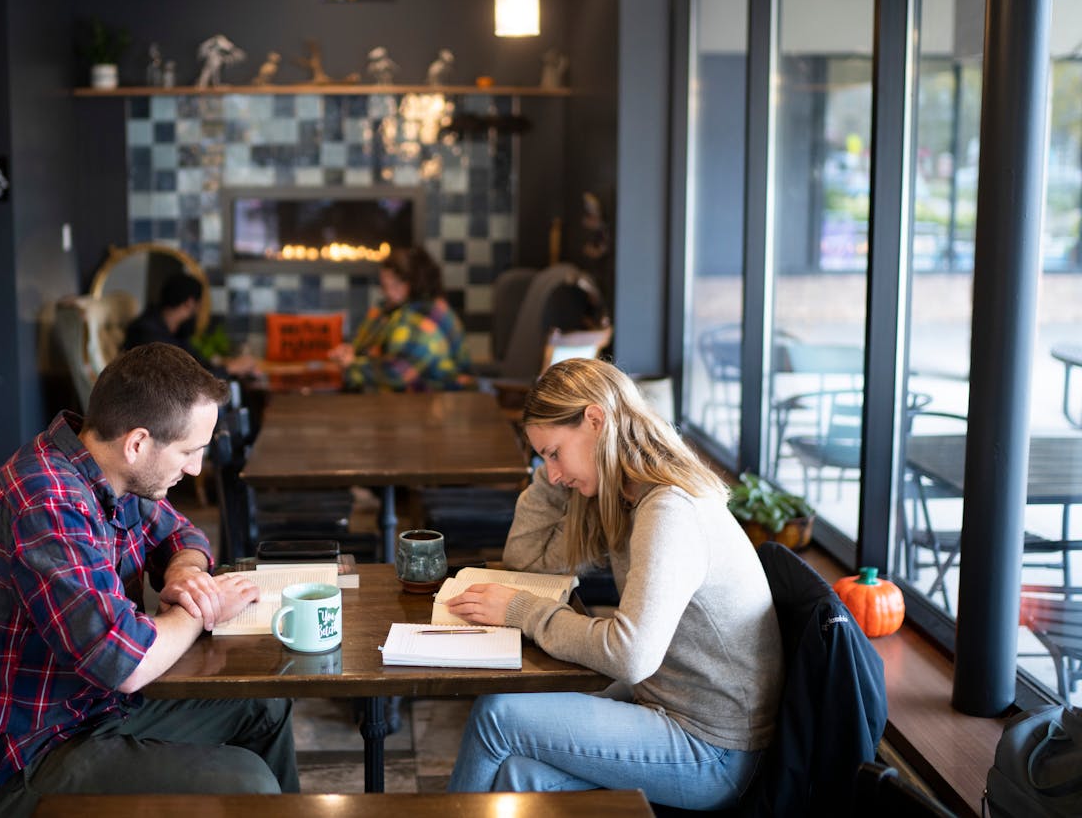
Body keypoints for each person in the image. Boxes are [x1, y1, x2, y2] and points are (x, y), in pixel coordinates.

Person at [0, 343, 298, 817]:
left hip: (85, 712)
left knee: (266, 706)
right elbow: (125, 664)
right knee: (247, 783)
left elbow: (181, 534)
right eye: (189, 451)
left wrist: (187, 573)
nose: (195, 468)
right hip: (17, 760)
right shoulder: (46, 501)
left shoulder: (108, 473)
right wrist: (197, 608)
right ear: (138, 443)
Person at [442, 358, 783, 811]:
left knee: (497, 714)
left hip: (713, 751)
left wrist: (521, 611)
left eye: (554, 453)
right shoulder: (624, 494)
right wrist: (551, 480)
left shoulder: (668, 510)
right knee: (516, 775)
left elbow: (631, 654)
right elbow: (527, 567)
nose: (555, 471)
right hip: (664, 707)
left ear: (595, 420)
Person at [327, 246, 474, 392]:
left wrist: (352, 365)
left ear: (409, 284)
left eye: (392, 285)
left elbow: (399, 372)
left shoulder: (424, 317)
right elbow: (364, 349)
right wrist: (348, 352)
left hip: (443, 401)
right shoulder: (389, 311)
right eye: (383, 285)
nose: (385, 292)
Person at [124, 271, 257, 377]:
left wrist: (228, 364)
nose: (200, 309)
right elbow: (183, 376)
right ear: (190, 303)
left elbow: (195, 364)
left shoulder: (176, 330)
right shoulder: (148, 331)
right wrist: (230, 368)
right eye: (200, 304)